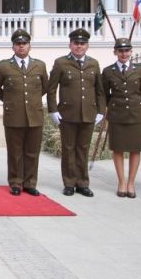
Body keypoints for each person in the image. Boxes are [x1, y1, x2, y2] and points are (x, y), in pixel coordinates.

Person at [48, 28, 106, 197]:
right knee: (68, 149)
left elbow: (99, 90)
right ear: (70, 44)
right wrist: (53, 110)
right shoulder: (61, 63)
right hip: (67, 114)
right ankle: (69, 182)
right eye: (76, 43)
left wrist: (101, 111)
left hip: (88, 114)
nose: (79, 46)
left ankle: (83, 183)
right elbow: (51, 89)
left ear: (87, 46)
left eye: (82, 44)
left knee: (83, 149)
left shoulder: (93, 64)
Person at [0, 28, 48, 196]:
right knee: (15, 151)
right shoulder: (3, 66)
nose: (21, 47)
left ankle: (30, 183)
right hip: (13, 115)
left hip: (34, 115)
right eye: (18, 44)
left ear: (29, 45)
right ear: (13, 46)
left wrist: (32, 101)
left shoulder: (39, 65)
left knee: (32, 151)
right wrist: (9, 101)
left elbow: (45, 87)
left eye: (24, 43)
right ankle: (15, 182)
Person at [102, 37, 141, 198]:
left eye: (126, 50)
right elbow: (105, 94)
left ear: (131, 52)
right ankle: (121, 182)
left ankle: (131, 182)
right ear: (115, 52)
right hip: (117, 113)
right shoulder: (108, 71)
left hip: (136, 113)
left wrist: (136, 104)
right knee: (118, 148)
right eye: (120, 50)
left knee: (136, 149)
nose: (124, 53)